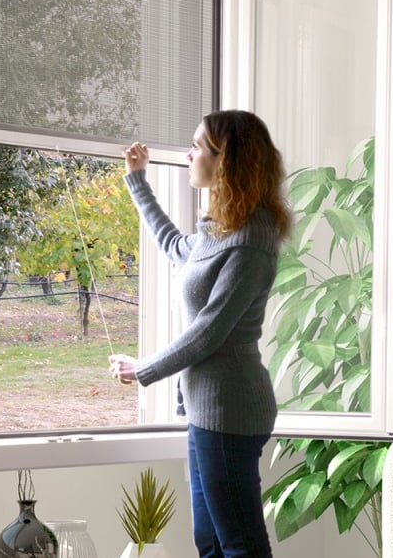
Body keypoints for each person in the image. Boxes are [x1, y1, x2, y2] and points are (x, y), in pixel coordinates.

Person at [109, 109, 291, 558]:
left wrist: (144, 369)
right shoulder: (223, 229)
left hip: (231, 408)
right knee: (209, 543)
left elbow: (210, 331)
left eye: (197, 147)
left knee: (240, 546)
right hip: (207, 409)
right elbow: (174, 246)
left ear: (225, 160)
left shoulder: (252, 238)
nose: (189, 154)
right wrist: (138, 182)